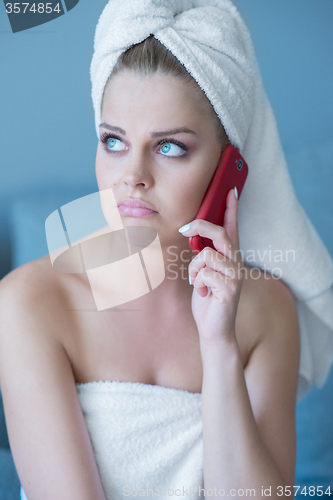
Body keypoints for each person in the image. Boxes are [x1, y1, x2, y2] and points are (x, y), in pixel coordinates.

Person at [0, 2, 332, 500]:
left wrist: (219, 348)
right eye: (113, 141)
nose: (132, 176)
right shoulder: (28, 304)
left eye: (169, 147)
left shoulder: (267, 311)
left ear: (228, 170)